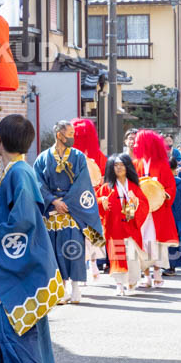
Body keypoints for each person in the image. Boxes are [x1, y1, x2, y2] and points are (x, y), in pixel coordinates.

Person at [0, 114, 64, 363]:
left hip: (14, 265)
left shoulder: (20, 173)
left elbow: (24, 220)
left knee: (21, 331)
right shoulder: (15, 171)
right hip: (4, 266)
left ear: (1, 140)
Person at [33, 121, 104, 304]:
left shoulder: (78, 157)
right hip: (51, 210)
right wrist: (53, 201)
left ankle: (76, 287)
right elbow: (38, 182)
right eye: (70, 134)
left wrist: (66, 203)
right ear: (59, 135)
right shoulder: (42, 158)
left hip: (73, 210)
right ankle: (61, 288)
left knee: (74, 248)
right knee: (55, 250)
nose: (73, 137)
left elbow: (83, 183)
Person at [96, 153, 151, 296]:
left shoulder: (134, 187)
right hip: (113, 227)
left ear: (128, 167)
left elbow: (144, 204)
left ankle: (131, 284)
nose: (119, 168)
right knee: (117, 257)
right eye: (116, 165)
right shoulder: (106, 187)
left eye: (122, 165)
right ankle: (119, 284)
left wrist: (136, 202)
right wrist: (102, 201)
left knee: (132, 257)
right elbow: (96, 202)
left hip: (130, 225)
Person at [132, 130, 181, 286]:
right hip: (141, 210)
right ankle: (147, 276)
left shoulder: (162, 164)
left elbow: (171, 186)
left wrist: (164, 195)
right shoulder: (136, 164)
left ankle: (157, 273)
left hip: (157, 210)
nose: (135, 145)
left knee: (157, 242)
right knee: (142, 242)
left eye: (138, 142)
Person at [72, 118, 108, 278]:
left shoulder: (72, 157)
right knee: (90, 230)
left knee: (83, 231)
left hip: (86, 198)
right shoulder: (98, 156)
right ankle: (91, 263)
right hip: (88, 198)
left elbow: (104, 179)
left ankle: (91, 263)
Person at [170, 156, 181, 273]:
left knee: (172, 239)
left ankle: (172, 266)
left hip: (175, 214)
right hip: (164, 214)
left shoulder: (178, 181)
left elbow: (179, 198)